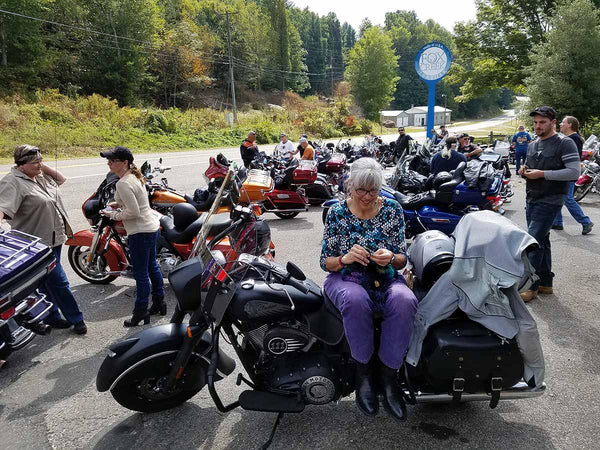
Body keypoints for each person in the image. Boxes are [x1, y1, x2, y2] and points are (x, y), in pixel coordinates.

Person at [320, 158, 418, 420]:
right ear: (349, 185)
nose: (366, 196)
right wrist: (345, 259)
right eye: (360, 190)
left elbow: (402, 258)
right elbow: (326, 263)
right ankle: (362, 373)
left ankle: (389, 377)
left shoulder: (392, 210)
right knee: (355, 299)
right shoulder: (337, 213)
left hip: (383, 276)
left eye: (373, 190)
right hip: (345, 277)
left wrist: (391, 256)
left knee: (404, 300)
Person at [0, 145, 87, 334]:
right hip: (36, 244)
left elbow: (61, 179)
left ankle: (52, 316)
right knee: (59, 281)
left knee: (46, 281)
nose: (40, 164)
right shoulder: (12, 182)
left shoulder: (38, 175)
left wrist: (40, 165)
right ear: (21, 165)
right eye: (35, 162)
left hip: (54, 237)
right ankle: (76, 319)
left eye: (41, 160)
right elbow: (2, 208)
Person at [518, 106, 581, 303]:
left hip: (551, 199)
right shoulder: (533, 144)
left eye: (542, 122)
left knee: (532, 241)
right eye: (535, 122)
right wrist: (524, 170)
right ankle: (546, 283)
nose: (538, 126)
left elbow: (574, 172)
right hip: (532, 197)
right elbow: (532, 167)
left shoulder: (565, 143)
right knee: (541, 241)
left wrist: (542, 174)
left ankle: (530, 286)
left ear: (553, 122)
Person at [100, 147, 165, 326]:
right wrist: (118, 203)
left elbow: (134, 211)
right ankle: (160, 302)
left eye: (112, 161)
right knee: (152, 266)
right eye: (109, 161)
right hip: (151, 227)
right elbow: (138, 202)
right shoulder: (134, 176)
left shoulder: (123, 183)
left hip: (140, 231)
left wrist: (112, 215)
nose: (109, 164)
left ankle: (141, 311)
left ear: (125, 162)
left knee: (141, 273)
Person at [552, 116, 593, 234]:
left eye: (563, 122)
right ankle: (557, 222)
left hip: (568, 173)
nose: (560, 124)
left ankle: (586, 222)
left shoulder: (574, 139)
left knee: (567, 199)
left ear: (570, 125)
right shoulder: (569, 138)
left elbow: (572, 157)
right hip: (563, 172)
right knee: (558, 197)